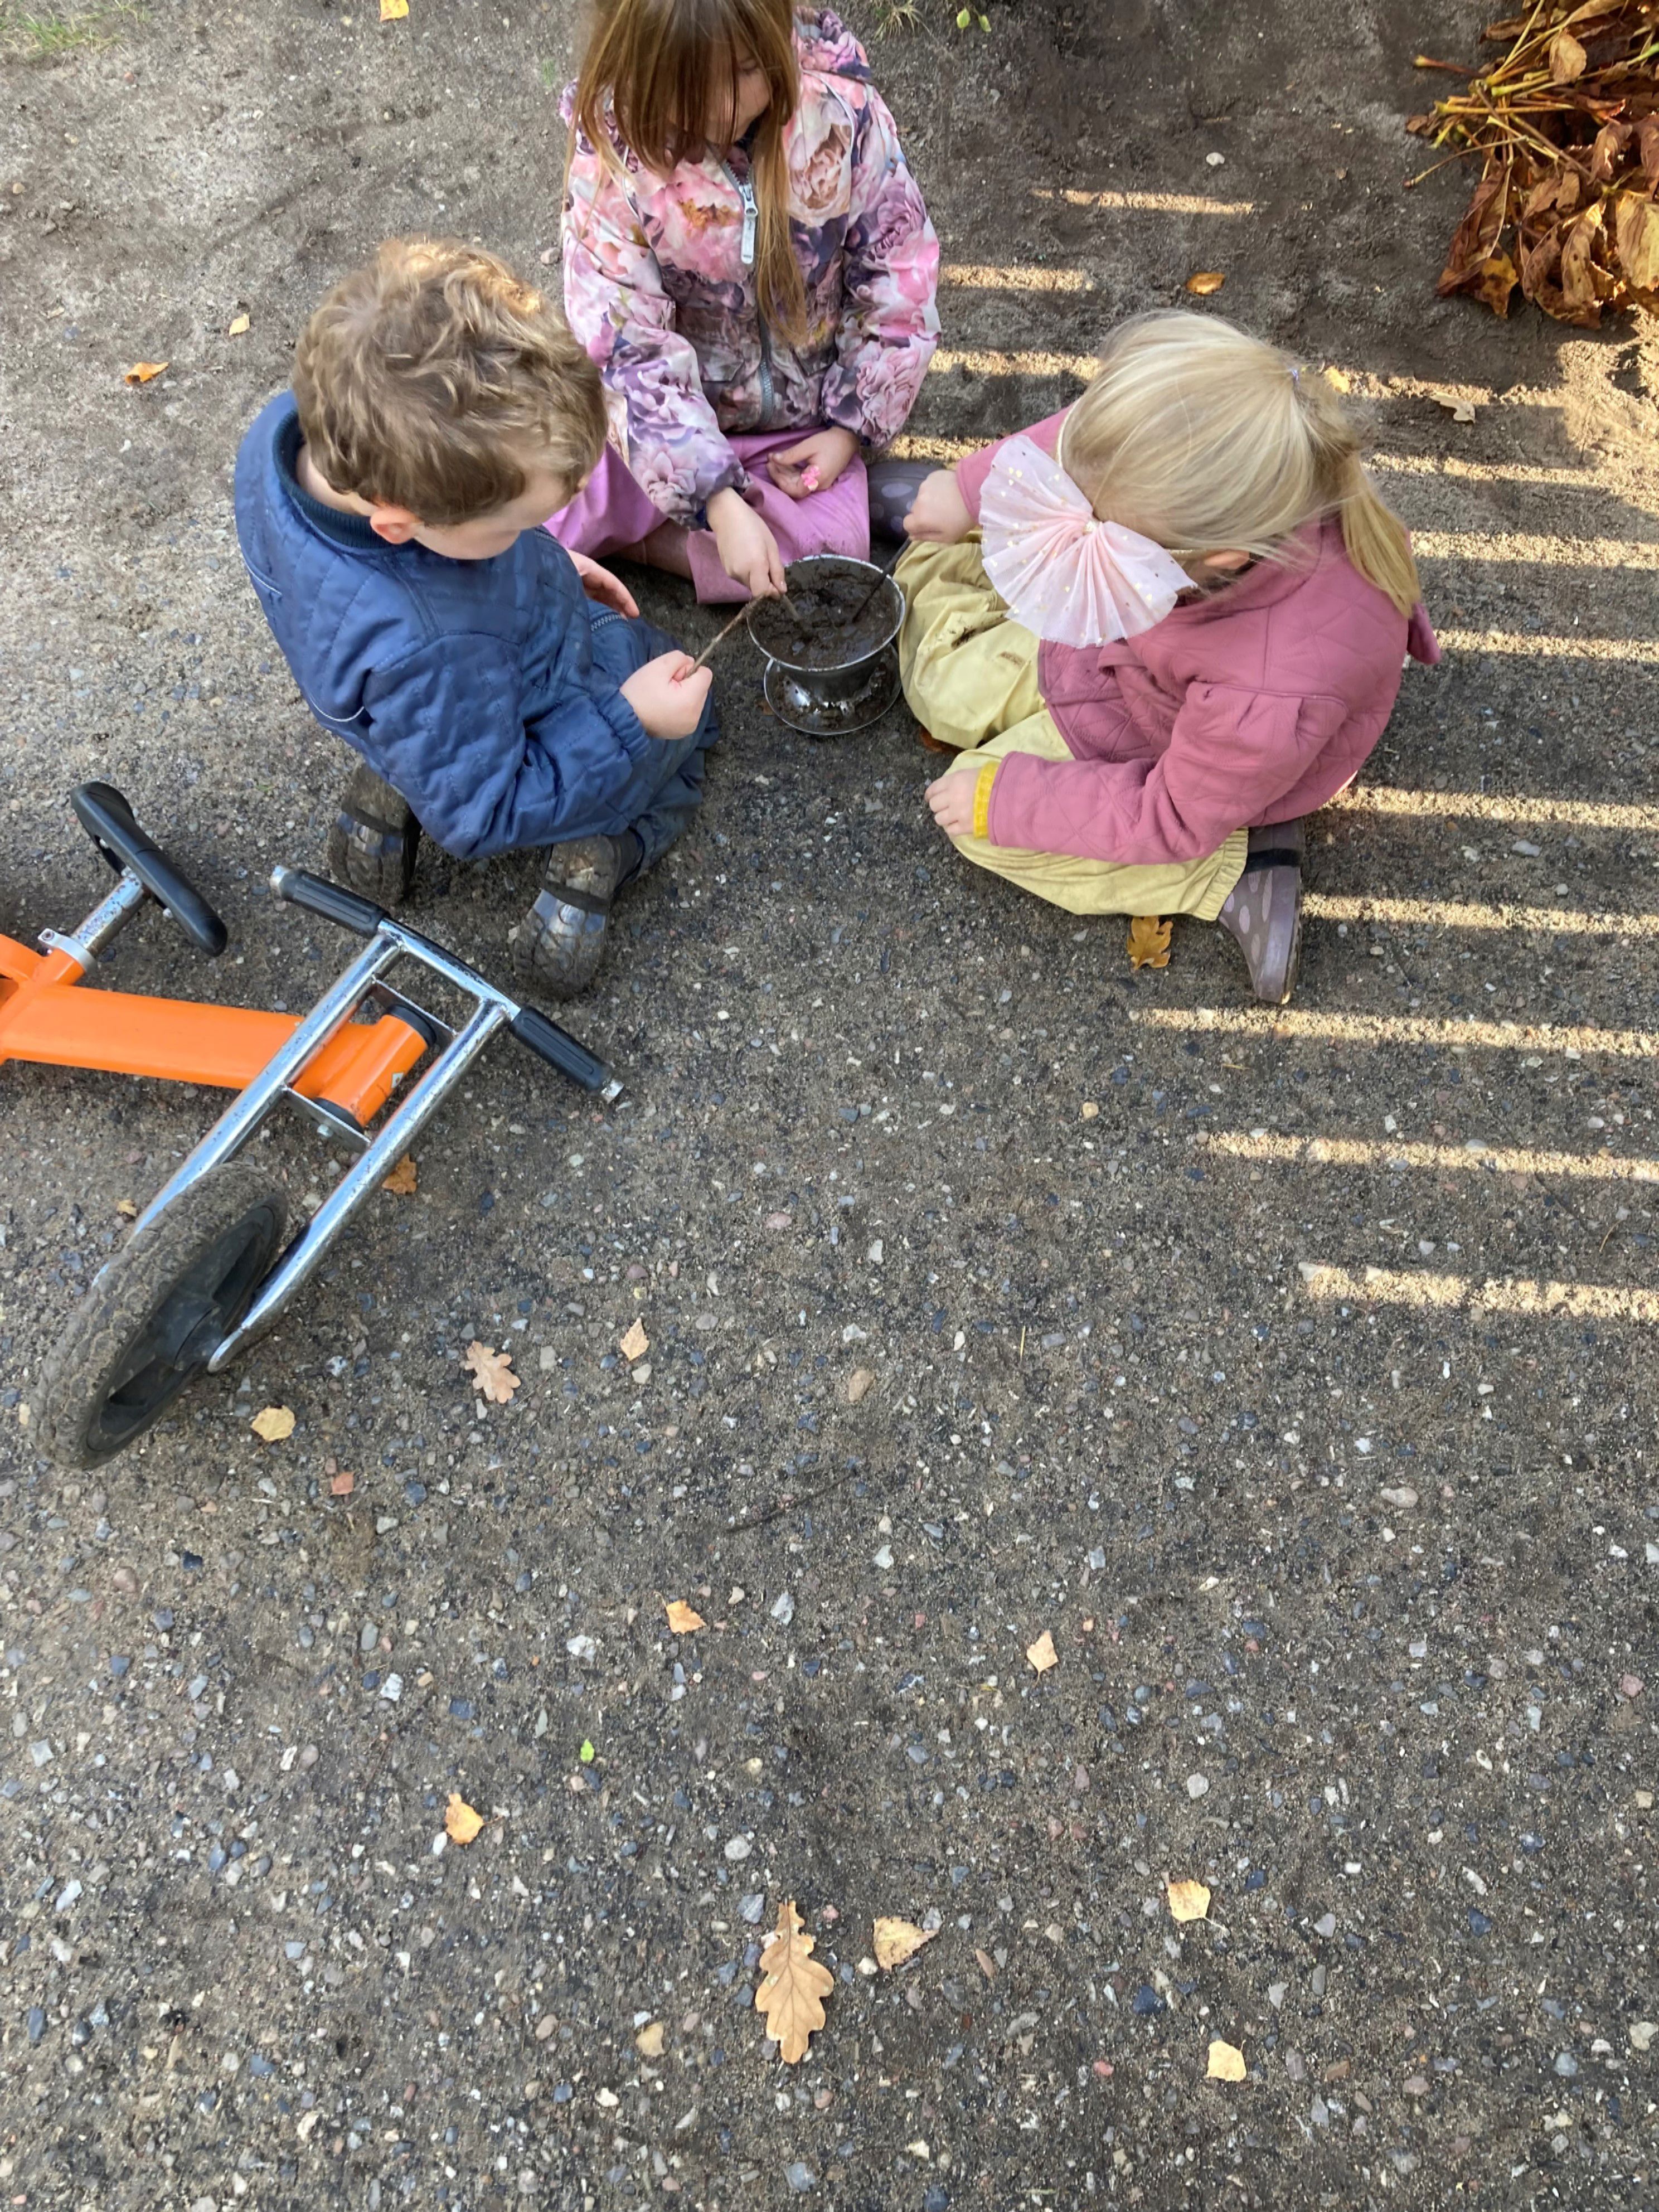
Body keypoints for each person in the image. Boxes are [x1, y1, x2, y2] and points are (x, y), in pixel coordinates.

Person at [896, 312, 1440, 1004]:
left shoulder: (1267, 691)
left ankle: (1232, 869)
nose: (1069, 516)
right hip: (1141, 662)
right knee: (943, 688)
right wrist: (970, 489)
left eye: (1099, 532)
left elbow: (1169, 814)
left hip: (1180, 746)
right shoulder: (1212, 471)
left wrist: (1007, 801)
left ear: (1217, 558)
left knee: (977, 807)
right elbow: (1090, 446)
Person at [233, 237, 717, 999]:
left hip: (423, 688)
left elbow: (447, 565)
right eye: (515, 526)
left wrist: (543, 563)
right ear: (401, 522)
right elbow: (482, 819)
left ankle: (400, 778)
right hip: (491, 685)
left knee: (428, 731)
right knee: (691, 724)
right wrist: (632, 720)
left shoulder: (292, 435)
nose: (531, 533)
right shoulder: (434, 640)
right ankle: (604, 851)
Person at [551, 0, 940, 603]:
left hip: (793, 428)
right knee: (532, 493)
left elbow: (898, 272)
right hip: (660, 421)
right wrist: (713, 497)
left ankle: (647, 542)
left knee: (830, 555)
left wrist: (848, 426)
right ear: (636, 56)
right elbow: (626, 351)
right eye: (687, 85)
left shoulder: (843, 113)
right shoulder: (613, 155)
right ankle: (678, 525)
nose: (721, 110)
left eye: (746, 72)